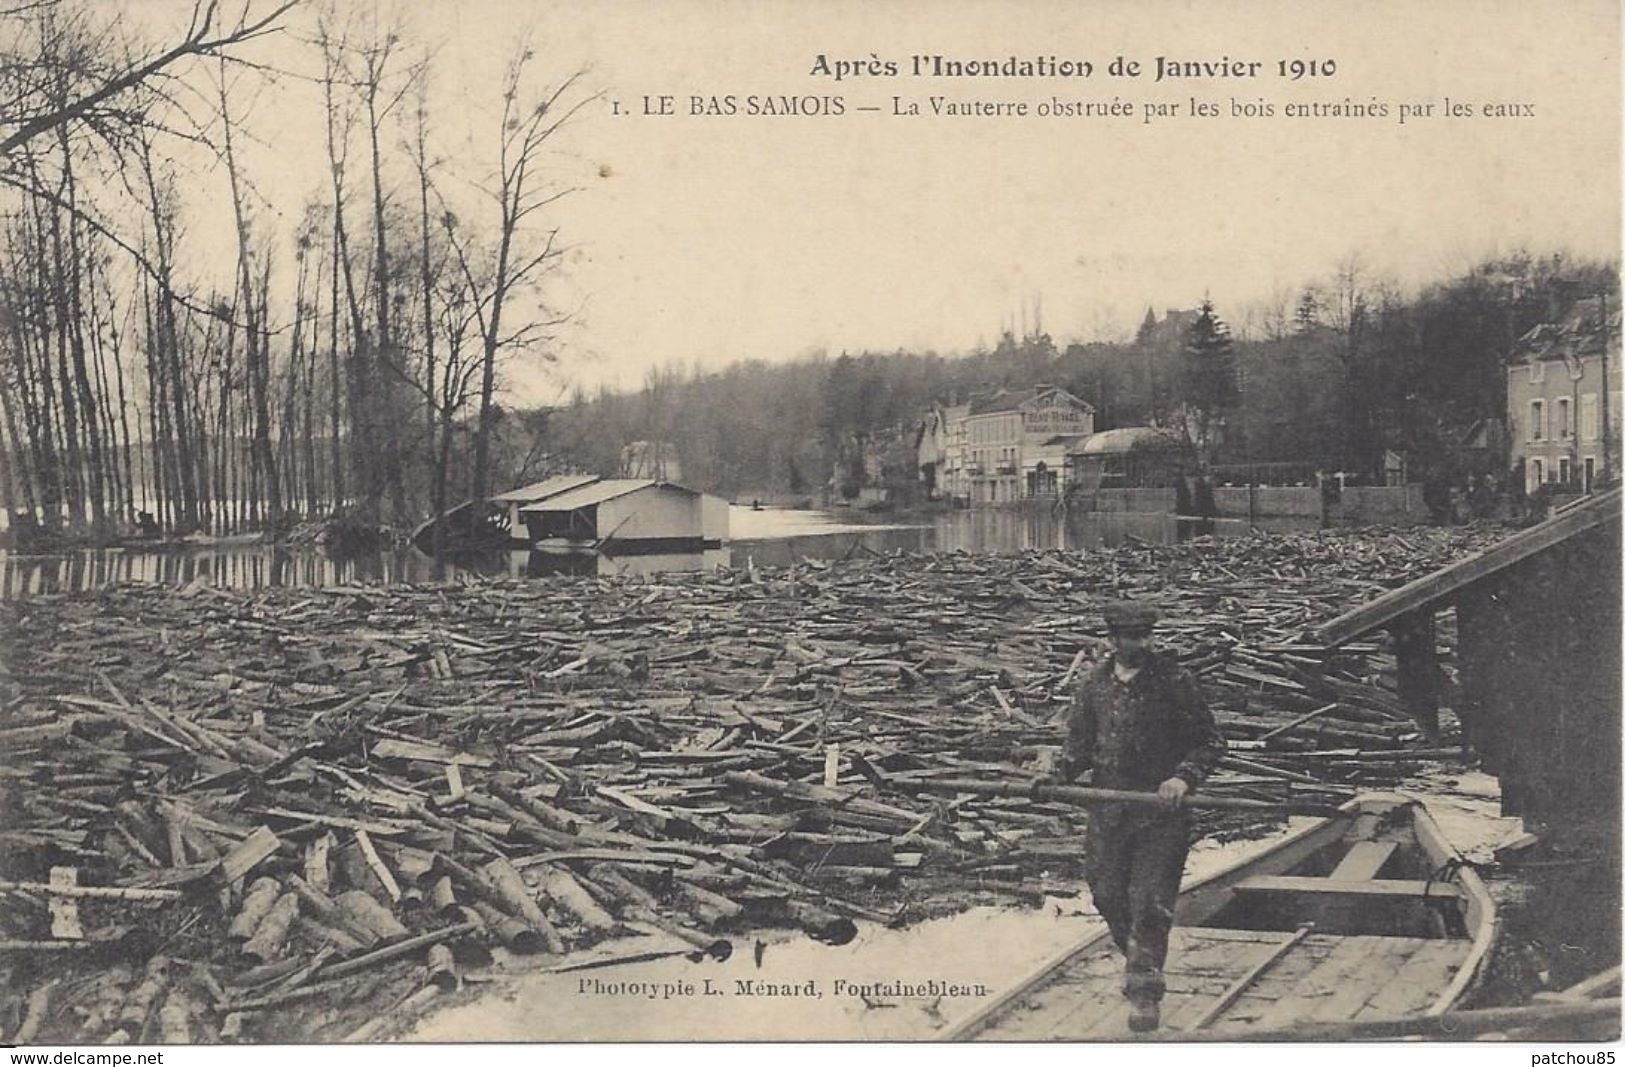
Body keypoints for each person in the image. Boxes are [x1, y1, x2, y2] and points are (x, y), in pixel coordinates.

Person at [1057, 599, 1226, 1033]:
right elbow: (1077, 750)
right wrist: (1053, 772)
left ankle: (1144, 992)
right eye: (1133, 637)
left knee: (1149, 903)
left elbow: (1209, 742)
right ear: (1112, 640)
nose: (1143, 643)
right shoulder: (1093, 686)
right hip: (1109, 813)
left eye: (1147, 635)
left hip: (1159, 815)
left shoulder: (1173, 681)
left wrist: (1183, 779)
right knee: (1109, 896)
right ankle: (1139, 960)